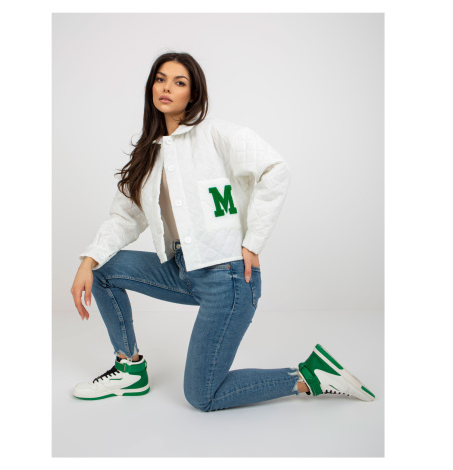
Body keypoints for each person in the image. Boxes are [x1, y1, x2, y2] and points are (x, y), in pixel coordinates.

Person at [70, 52, 375, 411]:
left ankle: (309, 376)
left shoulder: (216, 134)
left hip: (228, 278)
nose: (166, 87)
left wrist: (253, 242)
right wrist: (87, 260)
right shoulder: (148, 155)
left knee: (202, 396)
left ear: (193, 95)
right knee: (101, 268)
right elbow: (125, 217)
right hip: (182, 270)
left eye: (179, 82)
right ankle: (130, 368)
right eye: (160, 79)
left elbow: (275, 169)